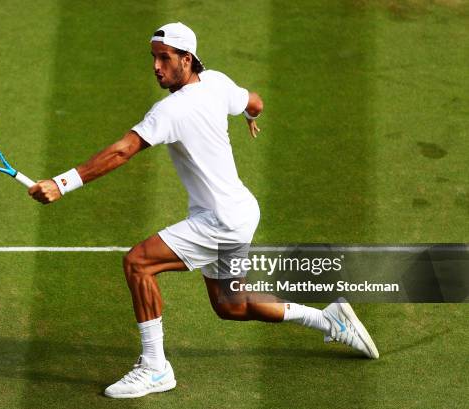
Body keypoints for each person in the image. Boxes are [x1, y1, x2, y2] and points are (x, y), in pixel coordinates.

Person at [28, 22, 379, 399]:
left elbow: (123, 150)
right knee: (232, 305)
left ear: (187, 59)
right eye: (154, 58)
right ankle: (327, 319)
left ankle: (154, 368)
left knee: (138, 263)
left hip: (219, 221)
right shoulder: (217, 82)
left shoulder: (170, 111)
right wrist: (250, 118)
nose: (156, 67)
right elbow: (255, 102)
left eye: (165, 58)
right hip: (240, 213)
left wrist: (62, 183)